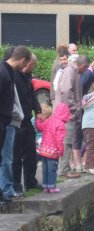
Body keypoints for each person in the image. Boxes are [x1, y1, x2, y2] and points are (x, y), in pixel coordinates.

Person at [0, 46, 31, 202]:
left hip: (6, 121)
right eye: (26, 64)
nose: (25, 68)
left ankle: (5, 193)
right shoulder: (3, 72)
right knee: (5, 159)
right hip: (3, 122)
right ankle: (5, 192)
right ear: (22, 60)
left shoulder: (8, 72)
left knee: (5, 159)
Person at [55, 55, 90, 178]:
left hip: (68, 113)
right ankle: (63, 169)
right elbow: (66, 92)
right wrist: (75, 107)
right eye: (85, 69)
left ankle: (65, 168)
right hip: (67, 114)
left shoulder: (72, 72)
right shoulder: (70, 72)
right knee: (67, 142)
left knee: (68, 141)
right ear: (83, 66)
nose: (85, 71)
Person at [13, 54, 42, 193]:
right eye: (33, 65)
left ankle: (30, 180)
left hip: (27, 119)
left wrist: (37, 109)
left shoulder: (28, 77)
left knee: (31, 152)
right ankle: (16, 184)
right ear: (28, 63)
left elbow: (32, 95)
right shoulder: (15, 76)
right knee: (16, 155)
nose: (33, 68)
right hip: (18, 120)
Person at [35, 103, 70, 193]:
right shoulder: (60, 124)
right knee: (52, 169)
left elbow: (39, 128)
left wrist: (38, 119)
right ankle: (52, 186)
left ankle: (46, 186)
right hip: (53, 152)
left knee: (45, 169)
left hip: (43, 151)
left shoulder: (48, 120)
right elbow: (59, 139)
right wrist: (60, 151)